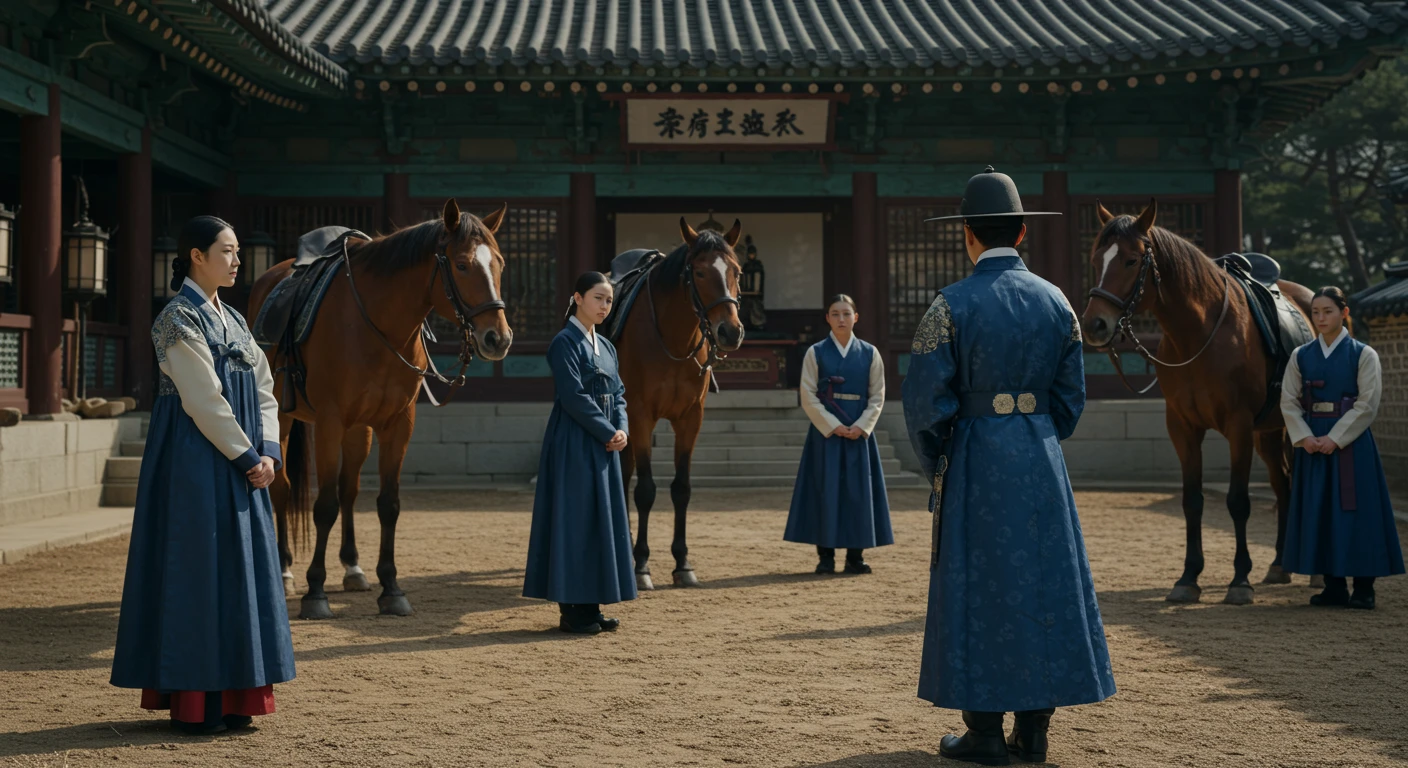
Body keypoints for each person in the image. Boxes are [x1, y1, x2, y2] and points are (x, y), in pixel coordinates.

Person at [902, 167, 1115, 765]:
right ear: (1022, 233)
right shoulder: (1059, 303)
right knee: (1043, 579)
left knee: (979, 584)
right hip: (1040, 456)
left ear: (967, 234)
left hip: (974, 453)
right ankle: (1036, 729)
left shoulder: (949, 305)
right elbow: (1072, 399)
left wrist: (939, 460)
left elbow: (923, 404)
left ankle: (984, 732)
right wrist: (1037, 431)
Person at [110, 215, 294, 735]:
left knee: (239, 571)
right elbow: (201, 400)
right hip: (194, 460)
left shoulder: (234, 319)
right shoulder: (175, 319)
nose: (237, 260)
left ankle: (238, 697)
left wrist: (271, 452)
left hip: (245, 462)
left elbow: (263, 386)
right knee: (197, 572)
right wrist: (248, 458)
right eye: (228, 251)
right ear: (197, 255)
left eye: (237, 251)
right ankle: (196, 701)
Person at [524, 271, 637, 634]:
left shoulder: (607, 346)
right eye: (598, 298)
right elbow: (573, 397)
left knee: (597, 522)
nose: (605, 305)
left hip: (604, 445)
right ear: (578, 298)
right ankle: (571, 610)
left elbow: (618, 394)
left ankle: (591, 606)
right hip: (574, 441)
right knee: (574, 522)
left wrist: (622, 430)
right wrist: (608, 431)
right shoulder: (563, 343)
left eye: (609, 300)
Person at [1280, 286, 1404, 610]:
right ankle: (1333, 586)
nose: (1321, 318)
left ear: (1344, 313)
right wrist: (1304, 437)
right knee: (1321, 509)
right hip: (1311, 444)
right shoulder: (1300, 355)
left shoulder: (1364, 354)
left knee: (1358, 511)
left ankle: (1364, 588)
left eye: (1328, 311)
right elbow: (1289, 401)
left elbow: (1367, 404)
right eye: (1316, 312)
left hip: (1351, 443)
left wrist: (1334, 438)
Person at [784, 294, 893, 574]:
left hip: (859, 431)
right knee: (825, 490)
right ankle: (826, 557)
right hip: (826, 434)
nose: (841, 319)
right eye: (835, 314)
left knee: (858, 492)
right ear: (828, 319)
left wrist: (862, 426)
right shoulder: (816, 352)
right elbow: (807, 394)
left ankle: (855, 557)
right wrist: (832, 425)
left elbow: (877, 395)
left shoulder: (870, 353)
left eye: (846, 313)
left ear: (856, 317)